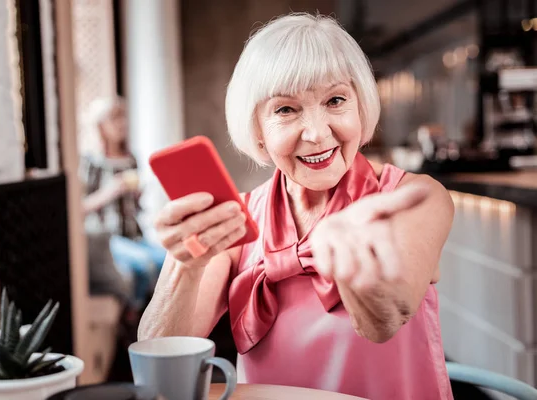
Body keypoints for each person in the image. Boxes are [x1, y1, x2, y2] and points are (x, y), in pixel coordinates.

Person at [138, 13, 454, 400]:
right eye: (286, 110)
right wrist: (187, 264)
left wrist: (347, 255)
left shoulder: (416, 198)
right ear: (257, 130)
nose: (317, 133)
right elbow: (158, 358)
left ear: (361, 107)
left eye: (335, 100)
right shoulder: (234, 219)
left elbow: (384, 322)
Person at [79, 97, 166, 306]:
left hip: (134, 234)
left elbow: (134, 207)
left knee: (168, 261)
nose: (122, 123)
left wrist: (137, 194)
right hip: (109, 237)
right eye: (114, 118)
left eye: (123, 117)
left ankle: (158, 311)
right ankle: (133, 316)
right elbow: (80, 208)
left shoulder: (130, 158)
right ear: (100, 125)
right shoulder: (91, 161)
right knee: (143, 266)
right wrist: (111, 191)